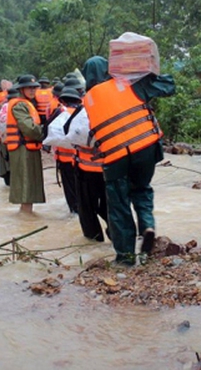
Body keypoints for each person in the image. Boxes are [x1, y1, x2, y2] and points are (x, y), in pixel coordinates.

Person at [82, 58, 175, 265]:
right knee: (141, 188)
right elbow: (169, 86)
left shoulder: (87, 99)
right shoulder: (129, 83)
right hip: (145, 148)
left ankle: (125, 257)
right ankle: (147, 225)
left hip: (115, 157)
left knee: (119, 205)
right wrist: (146, 74)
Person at [69, 55, 111, 242]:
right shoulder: (116, 95)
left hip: (86, 167)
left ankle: (94, 242)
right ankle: (119, 236)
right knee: (112, 204)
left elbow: (73, 132)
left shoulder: (86, 99)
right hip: (112, 166)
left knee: (87, 207)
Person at [5, 74, 45, 213]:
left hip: (28, 149)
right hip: (23, 150)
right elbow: (29, 128)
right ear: (22, 89)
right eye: (29, 88)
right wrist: (44, 133)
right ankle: (26, 216)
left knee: (29, 187)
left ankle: (26, 217)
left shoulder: (28, 104)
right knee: (26, 187)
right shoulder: (20, 105)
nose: (33, 91)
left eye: (34, 88)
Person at [51, 86, 81, 215]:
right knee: (81, 189)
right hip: (80, 159)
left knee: (70, 190)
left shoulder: (59, 112)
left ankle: (73, 212)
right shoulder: (83, 112)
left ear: (62, 100)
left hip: (64, 159)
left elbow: (48, 130)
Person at [0, 87, 19, 186]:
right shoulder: (18, 106)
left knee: (5, 162)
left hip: (3, 140)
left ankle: (8, 183)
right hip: (16, 140)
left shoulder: (3, 107)